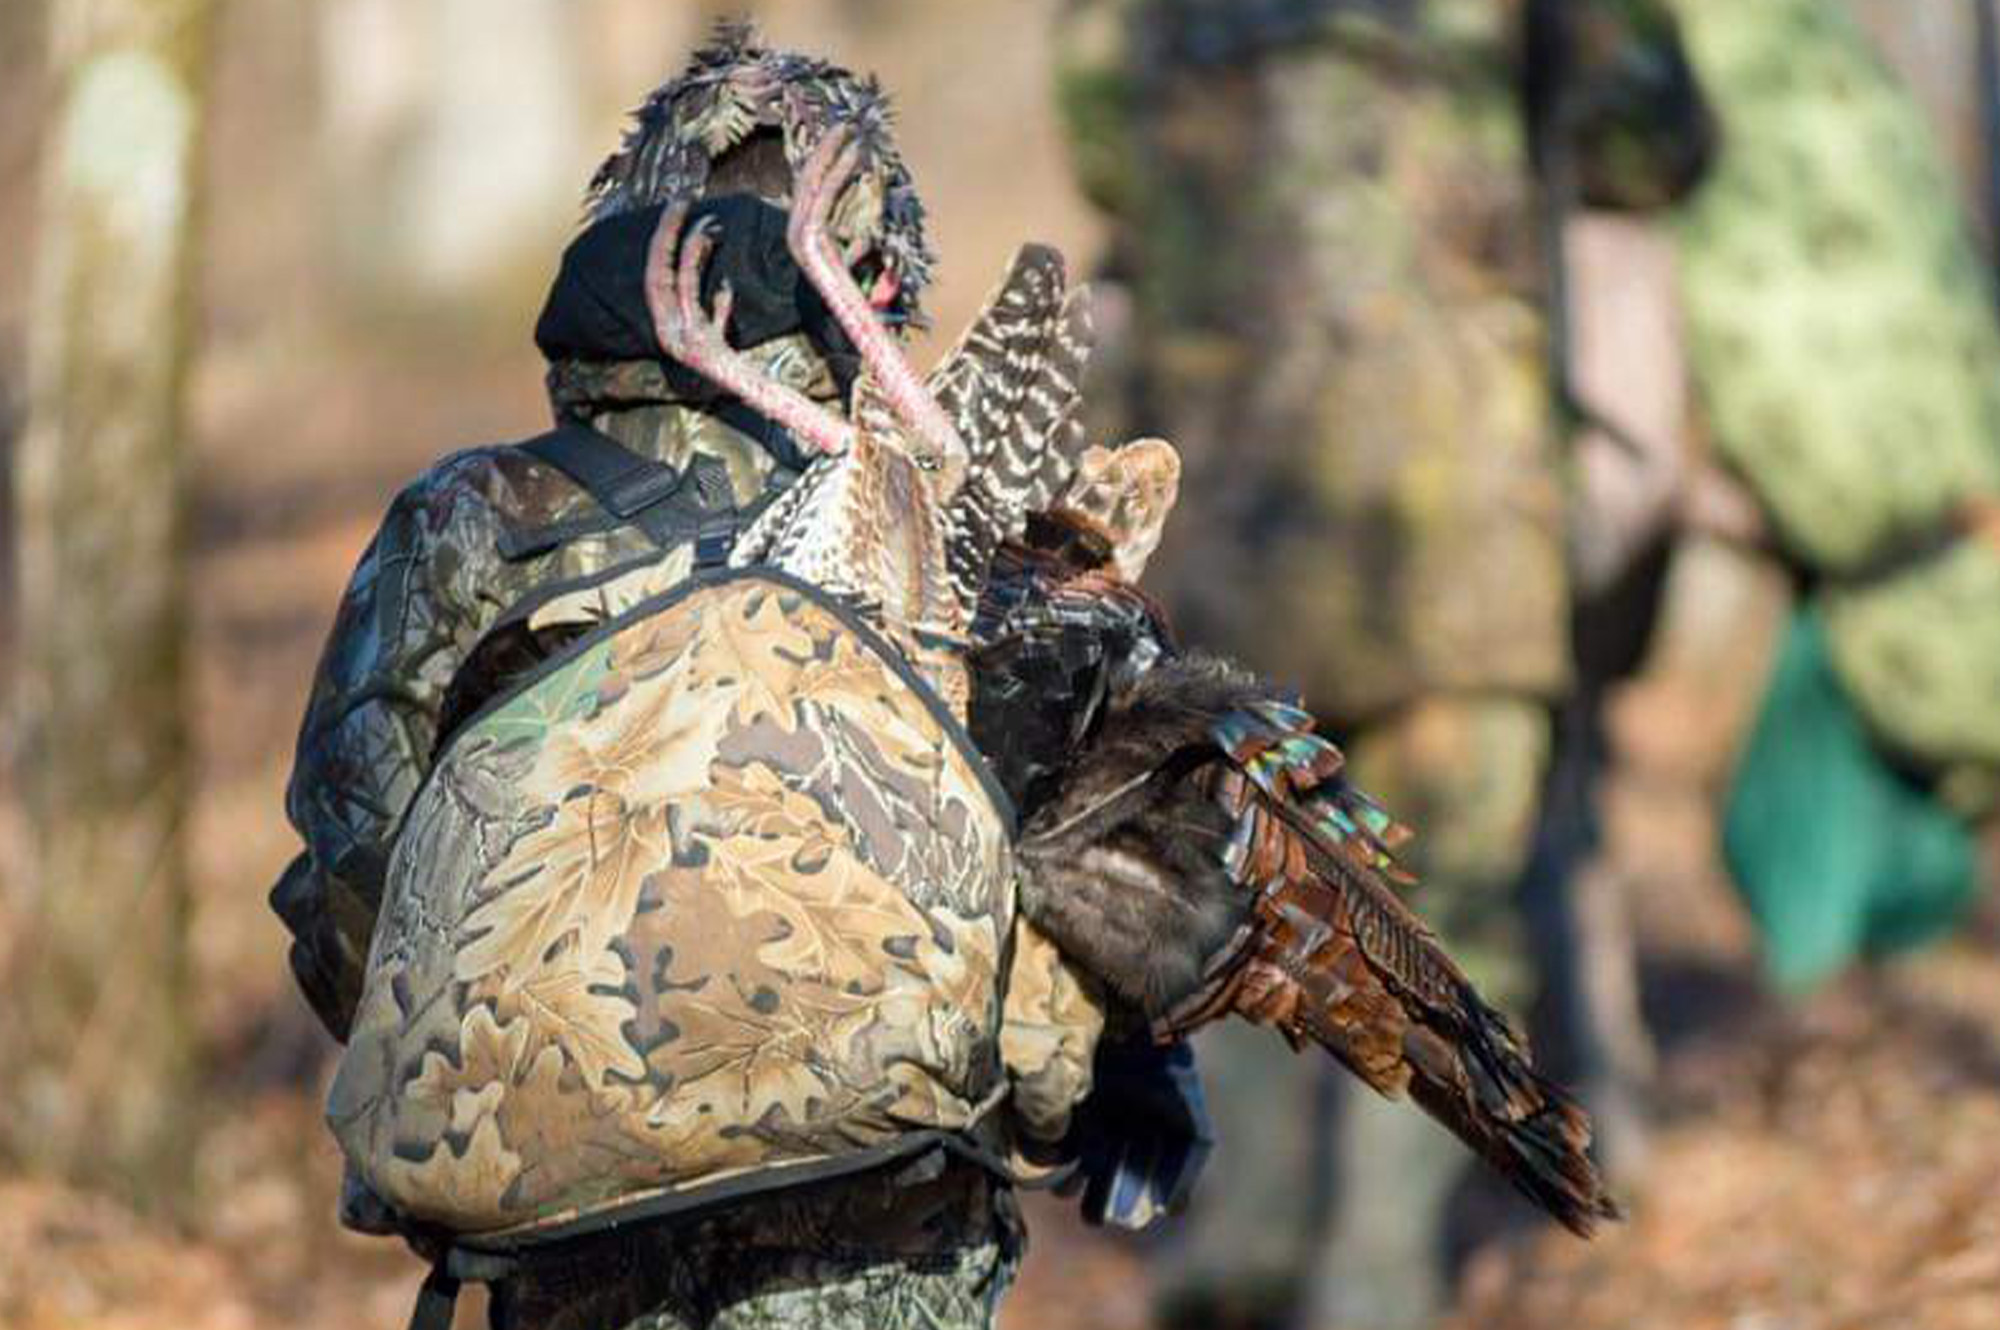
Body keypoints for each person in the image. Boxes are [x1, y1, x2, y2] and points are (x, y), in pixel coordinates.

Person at [273, 27, 1162, 1330]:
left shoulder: (470, 518)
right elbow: (1065, 922)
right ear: (879, 276)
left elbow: (355, 875)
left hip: (565, 1221)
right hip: (879, 1215)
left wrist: (501, 1089)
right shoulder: (958, 527)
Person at [1054, 2, 1711, 1324]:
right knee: (1453, 898)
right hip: (1459, 522)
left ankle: (1244, 1227)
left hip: (1237, 504)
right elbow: (1653, 140)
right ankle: (1371, 1272)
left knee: (1239, 876)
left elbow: (1111, 160)